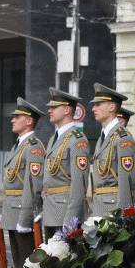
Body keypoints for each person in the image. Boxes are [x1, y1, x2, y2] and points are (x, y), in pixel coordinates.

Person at [0, 97, 45, 268]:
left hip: (22, 213)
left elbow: (33, 186)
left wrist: (25, 218)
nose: (12, 119)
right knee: (18, 264)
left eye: (17, 117)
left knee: (27, 267)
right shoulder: (19, 145)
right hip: (12, 212)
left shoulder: (34, 147)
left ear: (28, 121)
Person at [41, 87, 89, 237]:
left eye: (54, 107)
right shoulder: (53, 139)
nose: (50, 110)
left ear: (67, 110)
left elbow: (78, 185)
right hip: (50, 212)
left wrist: (70, 221)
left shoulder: (77, 140)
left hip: (64, 213)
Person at [89, 83, 135, 214]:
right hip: (99, 206)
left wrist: (123, 216)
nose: (93, 108)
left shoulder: (123, 138)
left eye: (98, 104)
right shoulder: (103, 137)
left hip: (114, 210)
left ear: (112, 107)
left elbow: (127, 183)